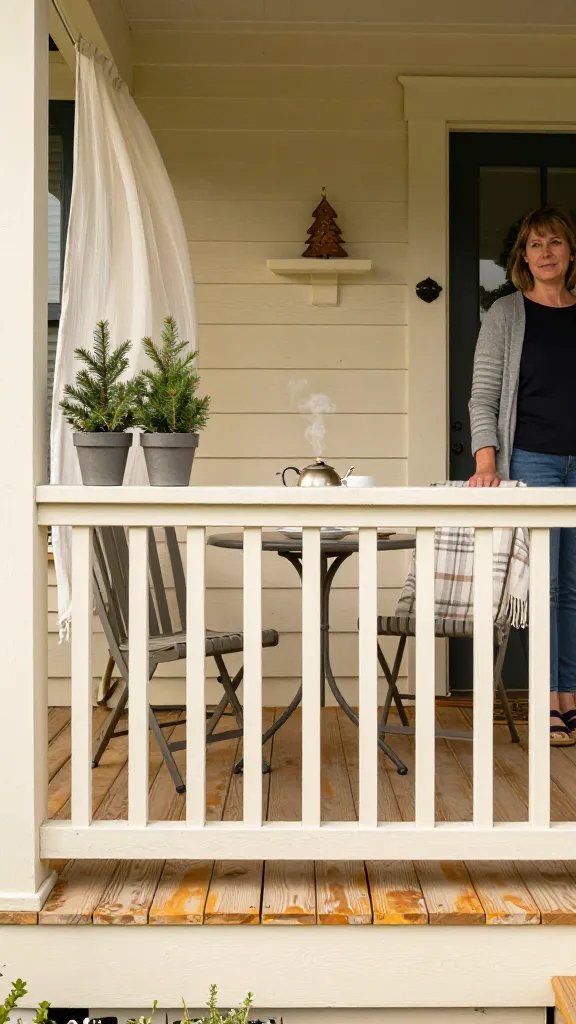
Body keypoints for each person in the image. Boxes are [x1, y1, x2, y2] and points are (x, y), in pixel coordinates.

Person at [469, 204, 576, 746]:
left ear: (569, 250)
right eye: (536, 245)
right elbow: (482, 398)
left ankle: (570, 697)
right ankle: (549, 702)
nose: (546, 253)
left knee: (575, 589)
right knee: (548, 586)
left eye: (555, 242)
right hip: (533, 463)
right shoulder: (506, 315)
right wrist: (486, 462)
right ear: (523, 256)